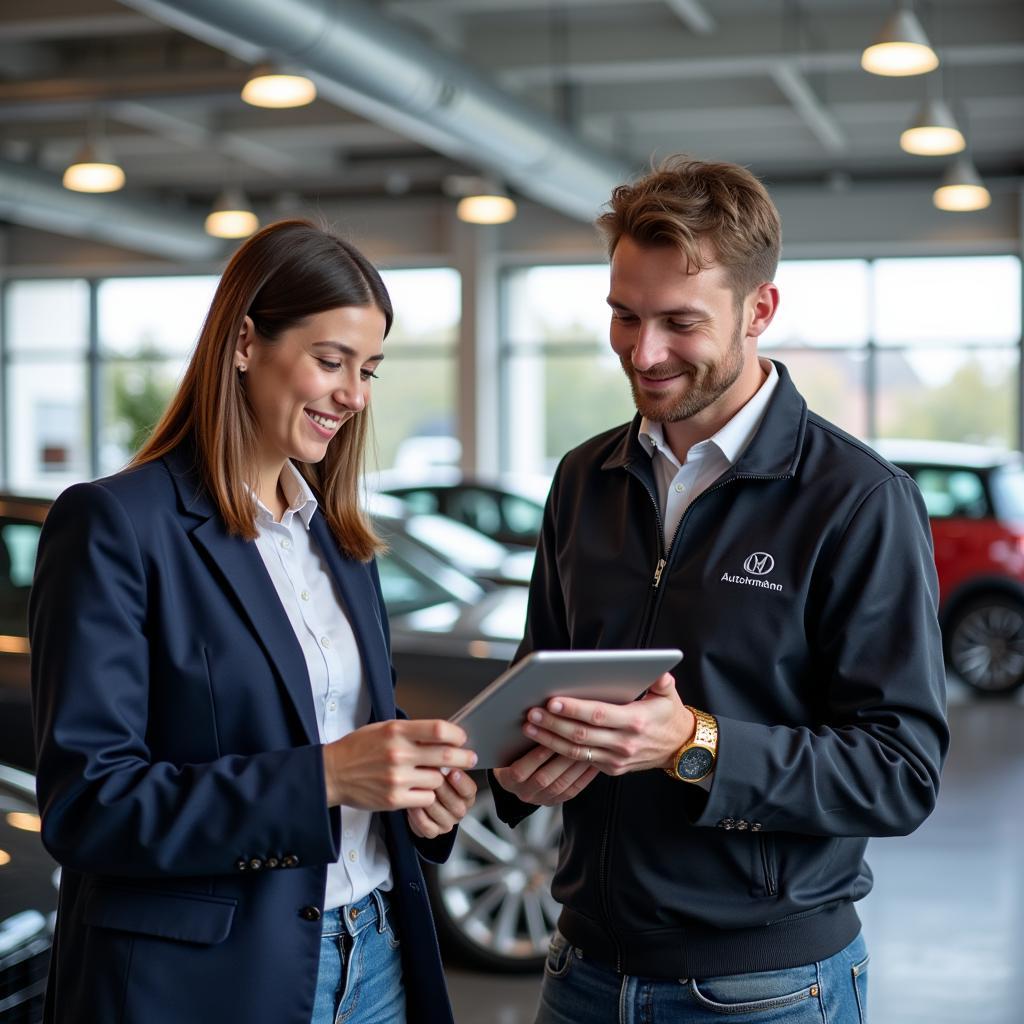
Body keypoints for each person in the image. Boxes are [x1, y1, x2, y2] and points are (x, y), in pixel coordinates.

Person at [491, 158, 949, 1023]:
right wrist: (521, 773)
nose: (643, 351)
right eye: (624, 316)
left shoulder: (855, 500)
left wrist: (690, 743)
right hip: (581, 967)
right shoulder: (584, 478)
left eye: (679, 322)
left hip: (762, 989)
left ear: (759, 310)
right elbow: (540, 675)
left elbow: (899, 773)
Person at [29, 219, 477, 1024]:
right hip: (213, 983)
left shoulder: (341, 539)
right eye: (331, 361)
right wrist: (327, 778)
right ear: (243, 343)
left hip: (378, 954)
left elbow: (345, 721)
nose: (355, 395)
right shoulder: (116, 525)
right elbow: (88, 805)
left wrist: (420, 793)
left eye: (369, 369)